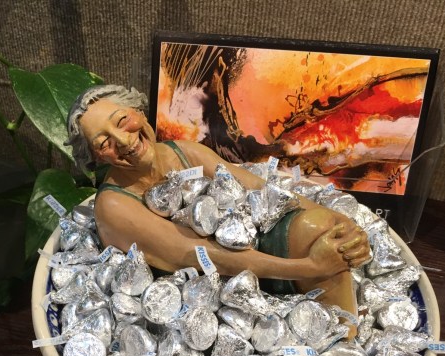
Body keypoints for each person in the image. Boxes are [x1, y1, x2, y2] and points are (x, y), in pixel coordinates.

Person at [66, 85, 371, 337]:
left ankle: (341, 336)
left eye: (122, 121)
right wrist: (312, 267)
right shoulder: (114, 206)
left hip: (249, 256)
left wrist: (341, 221)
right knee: (316, 238)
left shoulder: (185, 152)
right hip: (199, 298)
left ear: (139, 111)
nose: (123, 141)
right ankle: (335, 343)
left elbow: (261, 190)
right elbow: (200, 255)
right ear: (96, 157)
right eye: (104, 142)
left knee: (322, 228)